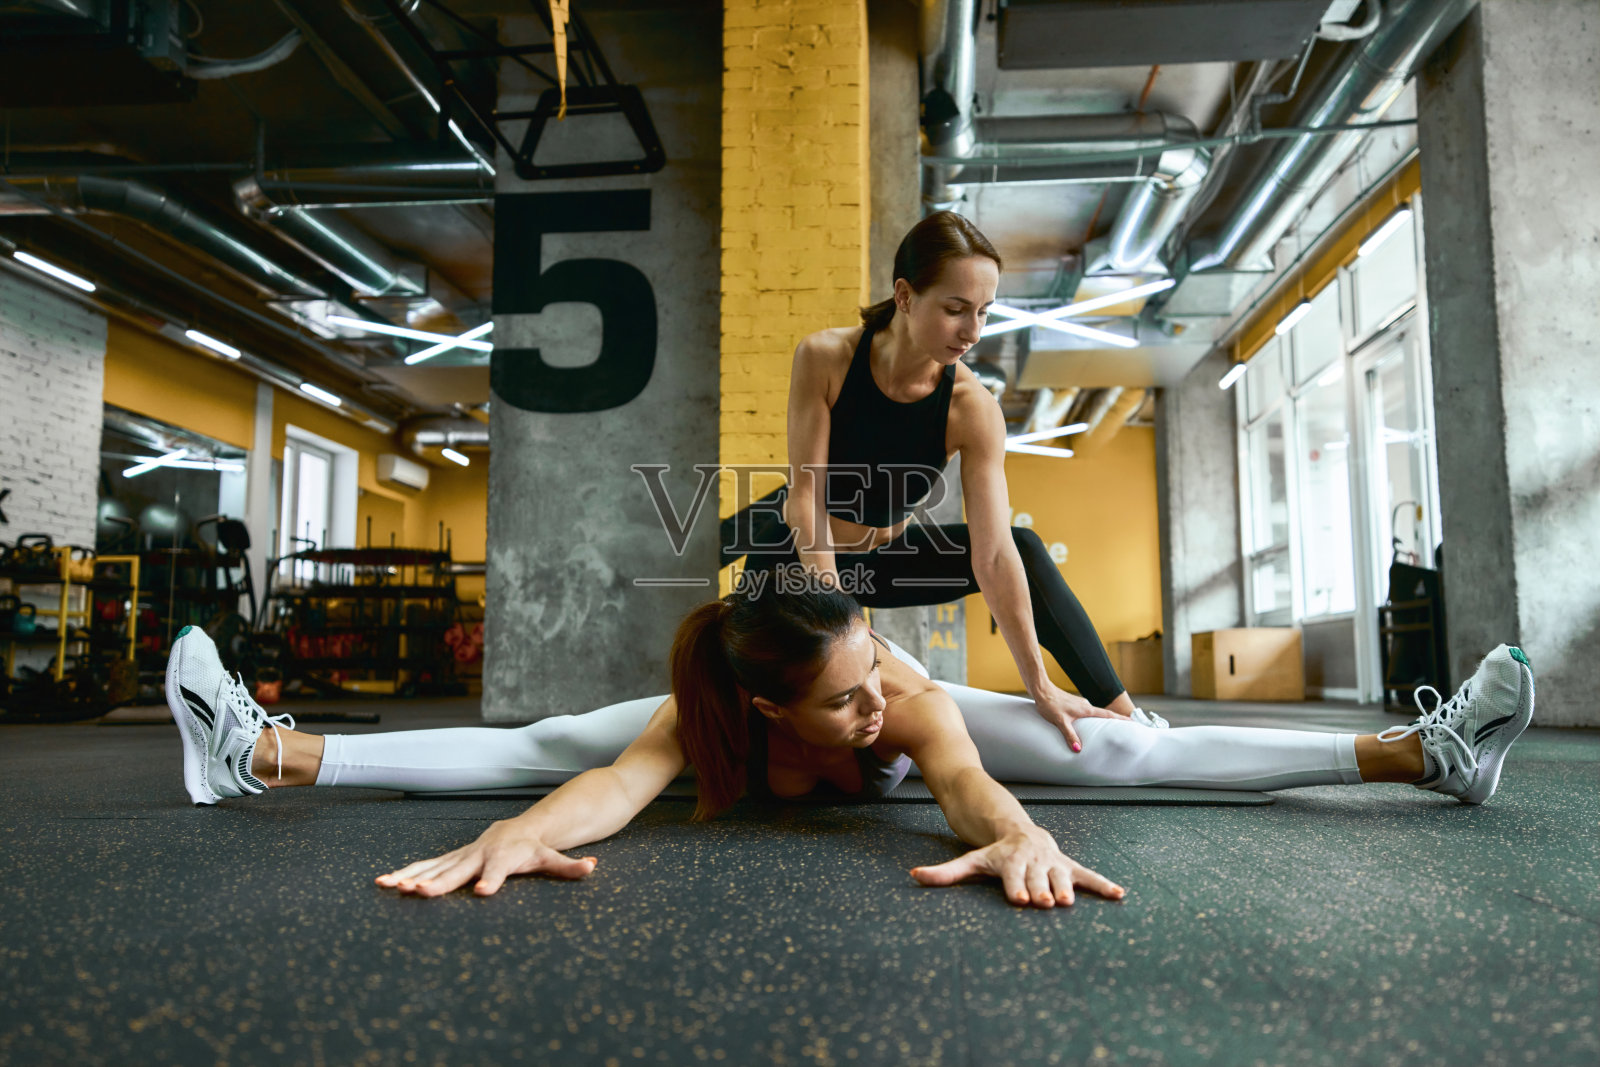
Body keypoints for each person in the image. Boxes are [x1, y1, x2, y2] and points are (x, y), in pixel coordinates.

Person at [164, 590, 1536, 904]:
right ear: (766, 712)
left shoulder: (903, 698)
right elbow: (617, 781)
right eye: (845, 698)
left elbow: (959, 775)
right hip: (693, 719)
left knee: (1123, 750)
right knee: (537, 747)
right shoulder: (709, 712)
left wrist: (1017, 832)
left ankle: (1428, 754)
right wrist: (531, 834)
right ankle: (262, 754)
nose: (873, 704)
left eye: (873, 676)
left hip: (972, 744)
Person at [731, 210, 1147, 752]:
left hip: (886, 563)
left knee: (1023, 546)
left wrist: (1039, 686)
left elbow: (993, 555)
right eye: (955, 310)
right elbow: (805, 498)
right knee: (734, 688)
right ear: (905, 296)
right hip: (801, 561)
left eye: (984, 313)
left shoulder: (973, 409)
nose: (973, 332)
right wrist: (847, 631)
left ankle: (1129, 722)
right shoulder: (826, 358)